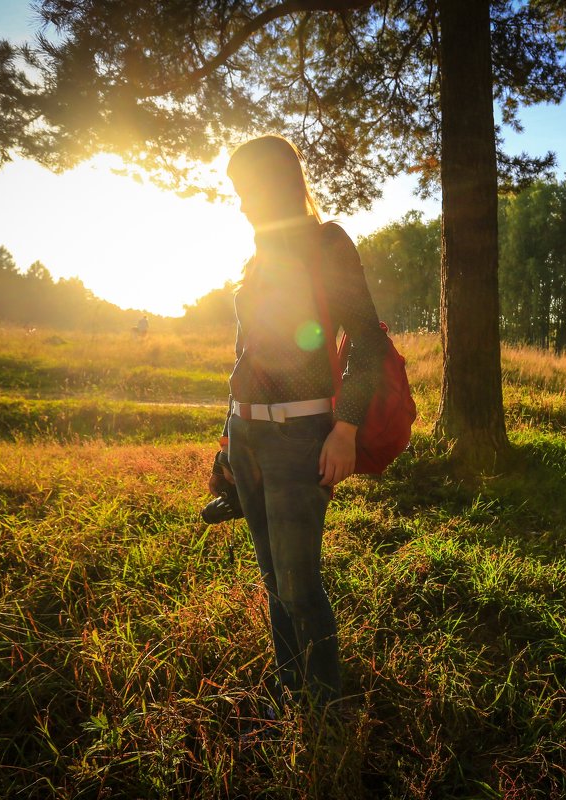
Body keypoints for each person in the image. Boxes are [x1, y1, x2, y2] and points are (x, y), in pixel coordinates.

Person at [215, 135, 387, 715]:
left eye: (246, 190)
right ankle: (289, 693)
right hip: (247, 436)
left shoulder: (327, 243)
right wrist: (226, 435)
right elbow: (245, 353)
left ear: (278, 182)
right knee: (271, 578)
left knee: (298, 582)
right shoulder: (257, 256)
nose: (239, 204)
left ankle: (325, 705)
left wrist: (346, 429)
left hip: (300, 437)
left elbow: (368, 341)